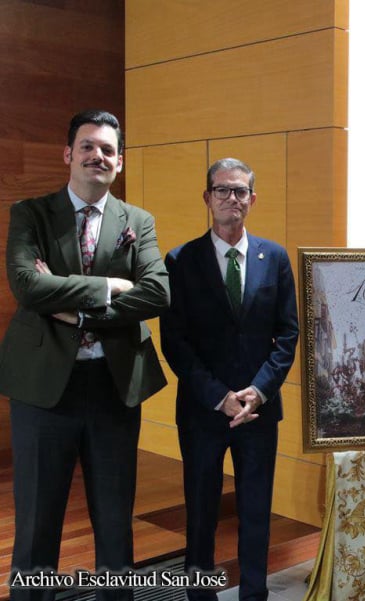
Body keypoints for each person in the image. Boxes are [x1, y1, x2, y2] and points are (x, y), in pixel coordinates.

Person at [0, 109, 170, 601]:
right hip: (43, 389)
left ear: (120, 162)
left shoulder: (138, 221)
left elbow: (157, 293)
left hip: (113, 387)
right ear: (68, 154)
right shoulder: (31, 214)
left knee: (115, 521)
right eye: (88, 146)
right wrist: (109, 286)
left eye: (108, 150)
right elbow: (27, 286)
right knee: (37, 522)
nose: (98, 155)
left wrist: (75, 311)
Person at [160, 158, 299, 601]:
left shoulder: (274, 258)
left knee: (256, 514)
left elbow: (288, 334)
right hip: (203, 411)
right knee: (201, 515)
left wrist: (259, 391)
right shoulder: (180, 260)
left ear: (252, 199)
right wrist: (219, 397)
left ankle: (253, 594)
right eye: (222, 190)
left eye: (240, 191)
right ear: (207, 198)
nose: (231, 198)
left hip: (258, 412)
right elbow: (174, 342)